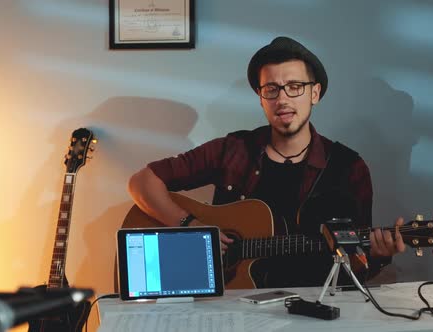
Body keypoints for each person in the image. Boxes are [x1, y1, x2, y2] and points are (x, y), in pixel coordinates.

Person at [128, 36, 406, 288]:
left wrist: (378, 256)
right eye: (271, 89)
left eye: (295, 87)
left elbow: (354, 268)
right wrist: (190, 226)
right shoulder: (232, 149)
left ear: (315, 93)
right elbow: (142, 182)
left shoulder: (349, 167)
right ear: (261, 99)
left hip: (313, 306)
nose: (282, 99)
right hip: (233, 305)